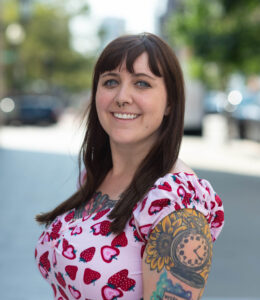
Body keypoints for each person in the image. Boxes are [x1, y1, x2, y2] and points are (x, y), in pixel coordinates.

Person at [35, 33, 224, 300]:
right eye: (111, 82)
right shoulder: (96, 175)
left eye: (142, 84)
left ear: (170, 102)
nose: (122, 97)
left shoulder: (178, 203)